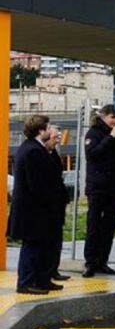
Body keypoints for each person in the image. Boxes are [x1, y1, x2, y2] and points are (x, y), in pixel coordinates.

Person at [10, 115, 64, 294]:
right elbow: (38, 183)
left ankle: (42, 280)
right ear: (41, 131)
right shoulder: (33, 151)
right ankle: (26, 282)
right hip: (33, 210)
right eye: (49, 128)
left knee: (42, 246)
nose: (52, 131)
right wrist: (50, 202)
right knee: (32, 247)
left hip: (37, 209)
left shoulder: (36, 148)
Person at [83, 105, 115, 277]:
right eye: (112, 117)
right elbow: (93, 155)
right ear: (103, 117)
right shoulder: (93, 134)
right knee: (94, 225)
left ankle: (103, 261)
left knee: (109, 226)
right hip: (97, 188)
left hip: (114, 187)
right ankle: (90, 262)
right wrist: (110, 138)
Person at [44, 125, 71, 282]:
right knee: (48, 238)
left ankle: (53, 268)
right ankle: (48, 270)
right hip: (50, 203)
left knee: (56, 237)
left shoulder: (53, 152)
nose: (58, 139)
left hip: (57, 202)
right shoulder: (41, 153)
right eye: (55, 137)